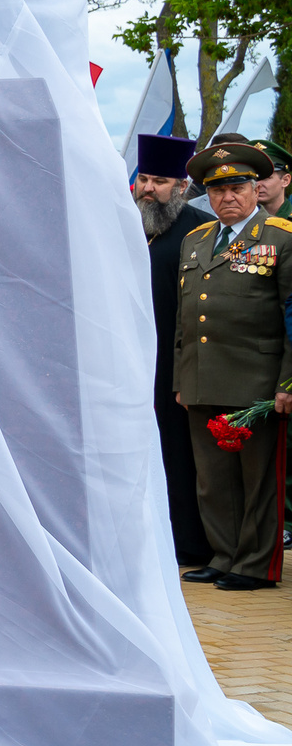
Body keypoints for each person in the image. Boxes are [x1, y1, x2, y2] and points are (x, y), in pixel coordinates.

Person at [173, 138, 292, 590]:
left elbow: (291, 315)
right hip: (202, 378)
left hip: (258, 383)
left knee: (257, 480)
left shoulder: (280, 238)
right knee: (213, 480)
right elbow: (185, 319)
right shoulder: (195, 240)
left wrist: (287, 382)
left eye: (238, 187)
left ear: (254, 190)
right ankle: (224, 556)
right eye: (218, 190)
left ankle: (256, 566)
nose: (228, 197)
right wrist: (180, 380)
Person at [136, 134, 214, 568]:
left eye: (160, 181)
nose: (149, 188)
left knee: (178, 453)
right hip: (131, 359)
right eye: (144, 178)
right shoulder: (127, 225)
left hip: (177, 362)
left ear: (181, 187)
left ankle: (187, 541)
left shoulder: (199, 230)